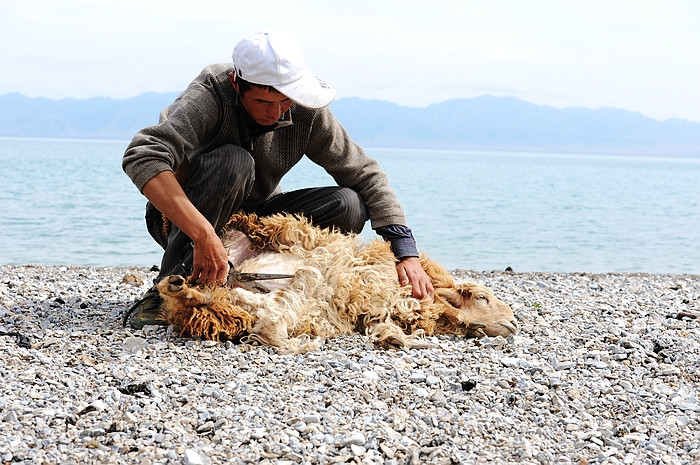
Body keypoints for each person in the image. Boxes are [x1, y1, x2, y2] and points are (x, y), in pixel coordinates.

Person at [122, 30, 433, 328]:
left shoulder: (304, 108)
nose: (276, 113)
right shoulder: (210, 94)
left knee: (349, 204)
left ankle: (266, 280)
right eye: (262, 102)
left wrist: (406, 252)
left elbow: (364, 172)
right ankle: (168, 288)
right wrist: (203, 234)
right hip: (187, 217)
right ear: (236, 83)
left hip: (255, 217)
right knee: (234, 161)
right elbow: (143, 155)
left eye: (284, 102)